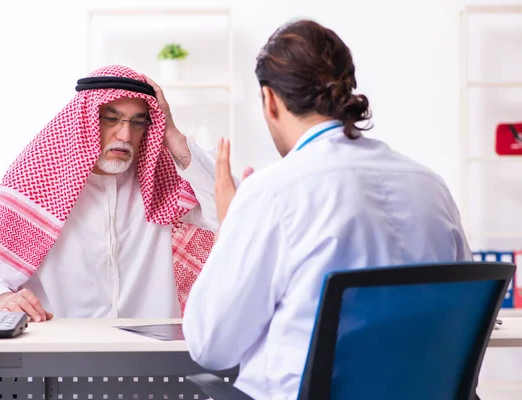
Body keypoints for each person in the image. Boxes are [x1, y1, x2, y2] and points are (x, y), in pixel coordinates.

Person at [182, 20, 472, 399]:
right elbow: (462, 322)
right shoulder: (431, 185)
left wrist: (228, 227)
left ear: (270, 100)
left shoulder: (272, 193)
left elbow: (211, 345)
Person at [0, 65, 236, 322]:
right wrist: (0, 298)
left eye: (138, 122)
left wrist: (172, 133)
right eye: (110, 119)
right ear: (83, 121)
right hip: (61, 363)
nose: (125, 135)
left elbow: (232, 219)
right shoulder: (41, 186)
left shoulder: (162, 184)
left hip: (153, 361)